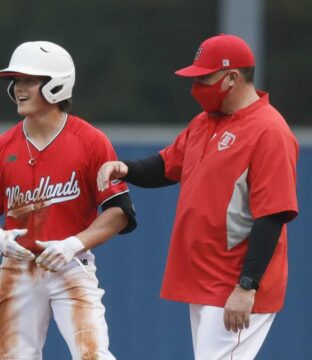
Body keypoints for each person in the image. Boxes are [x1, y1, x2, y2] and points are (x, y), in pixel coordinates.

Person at [97, 34, 298, 359]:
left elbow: (273, 214)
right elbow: (167, 165)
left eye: (204, 77)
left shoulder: (269, 131)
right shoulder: (205, 122)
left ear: (232, 77)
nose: (196, 86)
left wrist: (247, 287)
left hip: (234, 282)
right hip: (205, 277)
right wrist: (126, 169)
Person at [0, 40, 136, 360]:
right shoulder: (1, 147)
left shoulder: (90, 141)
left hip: (71, 264)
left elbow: (118, 212)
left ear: (56, 85)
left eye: (30, 80)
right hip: (17, 267)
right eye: (16, 81)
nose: (19, 88)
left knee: (93, 355)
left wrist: (73, 244)